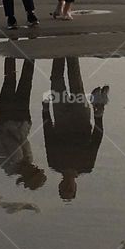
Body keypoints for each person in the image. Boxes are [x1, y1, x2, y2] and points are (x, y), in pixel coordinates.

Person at [42, 56, 109, 201]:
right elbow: (97, 140)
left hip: (61, 116)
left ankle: (59, 48)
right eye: (70, 189)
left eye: (64, 189)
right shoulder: (87, 166)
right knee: (75, 81)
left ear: (59, 185)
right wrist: (98, 118)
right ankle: (71, 51)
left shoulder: (54, 163)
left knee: (56, 80)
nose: (67, 186)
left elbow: (48, 136)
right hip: (81, 117)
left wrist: (45, 111)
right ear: (75, 187)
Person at [0, 58, 46, 191]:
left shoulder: (7, 166)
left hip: (6, 118)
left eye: (34, 171)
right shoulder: (29, 159)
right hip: (23, 118)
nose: (35, 167)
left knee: (9, 81)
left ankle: (11, 48)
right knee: (26, 82)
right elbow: (24, 138)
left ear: (26, 176)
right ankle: (30, 53)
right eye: (37, 169)